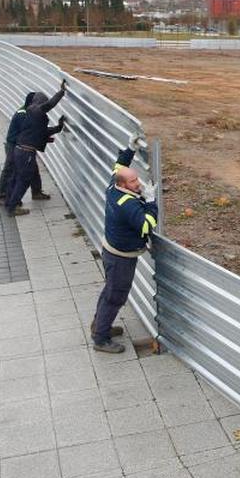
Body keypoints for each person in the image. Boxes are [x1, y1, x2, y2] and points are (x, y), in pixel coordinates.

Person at [91, 143, 157, 353]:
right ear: (124, 184)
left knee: (109, 290)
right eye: (134, 181)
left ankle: (99, 326)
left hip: (111, 250)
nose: (138, 183)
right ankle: (101, 339)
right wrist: (152, 202)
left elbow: (119, 165)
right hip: (121, 258)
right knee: (115, 295)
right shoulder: (127, 205)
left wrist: (130, 148)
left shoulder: (113, 187)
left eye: (137, 178)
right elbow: (147, 224)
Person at [5, 80, 67, 216]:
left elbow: (41, 132)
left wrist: (58, 127)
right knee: (23, 179)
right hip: (26, 153)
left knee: (30, 174)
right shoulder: (37, 110)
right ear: (40, 102)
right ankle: (13, 207)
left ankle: (34, 194)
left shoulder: (31, 112)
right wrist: (62, 92)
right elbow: (50, 104)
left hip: (20, 150)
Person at [0, 92, 46, 205]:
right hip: (13, 145)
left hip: (20, 145)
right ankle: (2, 196)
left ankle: (36, 192)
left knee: (33, 168)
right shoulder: (23, 114)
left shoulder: (27, 111)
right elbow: (30, 132)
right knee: (9, 170)